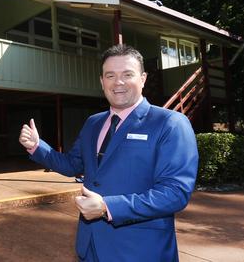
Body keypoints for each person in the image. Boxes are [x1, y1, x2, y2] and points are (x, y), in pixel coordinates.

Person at [18, 44, 198, 262]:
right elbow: (73, 165)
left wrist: (107, 207)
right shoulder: (93, 123)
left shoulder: (170, 123)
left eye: (127, 74)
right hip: (90, 245)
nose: (118, 82)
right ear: (102, 82)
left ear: (142, 79)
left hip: (140, 251)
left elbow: (175, 193)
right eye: (110, 75)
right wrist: (37, 147)